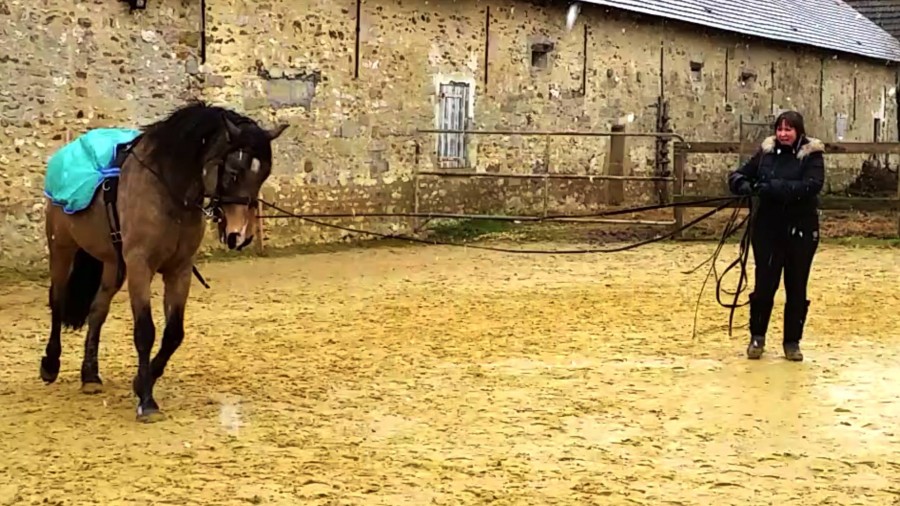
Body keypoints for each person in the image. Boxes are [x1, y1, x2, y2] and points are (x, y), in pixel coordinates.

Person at [726, 110, 825, 362]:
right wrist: (742, 184)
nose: (783, 134)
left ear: (798, 131)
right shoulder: (766, 153)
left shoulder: (812, 156)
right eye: (780, 129)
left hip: (800, 230)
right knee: (764, 285)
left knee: (796, 286)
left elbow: (811, 185)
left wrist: (773, 188)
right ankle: (757, 336)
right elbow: (739, 173)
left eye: (788, 129)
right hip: (768, 230)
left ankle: (792, 342)